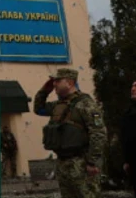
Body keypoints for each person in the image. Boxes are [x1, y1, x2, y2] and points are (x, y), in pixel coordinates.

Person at [34, 68, 106, 198]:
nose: (54, 84)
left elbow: (98, 133)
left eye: (57, 81)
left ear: (69, 83)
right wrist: (45, 90)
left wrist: (92, 162)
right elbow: (38, 108)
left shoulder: (86, 104)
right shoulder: (58, 105)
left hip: (81, 163)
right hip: (63, 162)